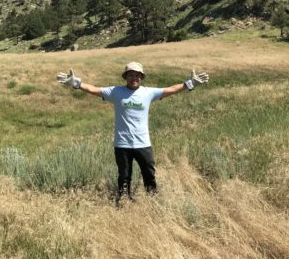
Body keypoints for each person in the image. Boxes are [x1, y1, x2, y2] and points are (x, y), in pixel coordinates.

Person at [56, 62, 209, 203]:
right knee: (124, 177)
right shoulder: (116, 91)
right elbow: (94, 89)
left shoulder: (148, 93)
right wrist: (76, 83)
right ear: (126, 77)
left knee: (149, 174)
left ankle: (152, 201)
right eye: (131, 75)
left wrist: (190, 83)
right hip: (122, 144)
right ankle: (123, 203)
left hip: (143, 143)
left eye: (137, 75)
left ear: (141, 77)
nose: (134, 78)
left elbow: (170, 90)